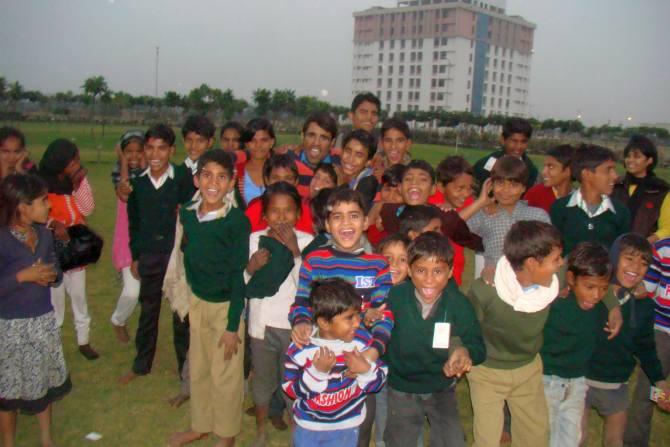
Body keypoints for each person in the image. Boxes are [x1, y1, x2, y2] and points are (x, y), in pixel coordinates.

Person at [289, 188, 393, 447]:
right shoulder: (315, 261)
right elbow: (301, 302)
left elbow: (385, 314)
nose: (346, 223)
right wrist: (301, 321)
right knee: (315, 414)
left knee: (358, 426)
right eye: (338, 217)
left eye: (354, 216)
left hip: (359, 358)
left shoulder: (378, 265)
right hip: (322, 355)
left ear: (366, 221)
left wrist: (371, 354)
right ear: (326, 224)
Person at [167, 149, 250, 447]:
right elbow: (186, 258)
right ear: (196, 178)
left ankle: (225, 435)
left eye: (221, 177)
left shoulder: (236, 222)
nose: (213, 182)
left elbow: (237, 276)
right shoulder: (188, 214)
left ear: (231, 183)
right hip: (198, 303)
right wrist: (187, 300)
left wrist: (232, 326)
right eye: (207, 175)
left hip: (226, 307)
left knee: (225, 374)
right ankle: (200, 425)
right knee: (200, 368)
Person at [467, 220, 564, 447]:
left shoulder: (553, 281)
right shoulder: (486, 291)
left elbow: (588, 279)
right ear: (531, 263)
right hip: (487, 372)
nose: (560, 264)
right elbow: (466, 327)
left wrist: (613, 306)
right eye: (555, 260)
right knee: (487, 439)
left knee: (536, 435)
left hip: (528, 369)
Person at [384, 232, 486, 447]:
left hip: (441, 387)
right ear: (410, 270)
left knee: (453, 441)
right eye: (421, 270)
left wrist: (464, 353)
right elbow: (379, 337)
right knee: (400, 441)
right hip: (402, 387)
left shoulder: (458, 303)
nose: (429, 279)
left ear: (449, 272)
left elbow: (478, 346)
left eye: (437, 271)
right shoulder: (394, 298)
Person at [119, 124, 193, 384]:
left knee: (181, 314)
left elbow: (192, 214)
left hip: (176, 257)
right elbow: (134, 223)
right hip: (150, 256)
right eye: (150, 147)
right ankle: (141, 365)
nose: (155, 154)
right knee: (148, 311)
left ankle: (185, 369)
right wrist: (136, 256)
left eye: (162, 148)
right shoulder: (137, 184)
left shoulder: (183, 178)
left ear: (171, 150)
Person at [0, 174, 71, 447]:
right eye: (43, 201)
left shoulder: (44, 234)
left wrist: (52, 275)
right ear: (22, 206)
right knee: (9, 391)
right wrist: (23, 276)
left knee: (43, 384)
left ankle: (46, 439)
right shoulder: (3, 239)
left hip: (42, 321)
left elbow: (57, 269)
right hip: (10, 327)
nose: (49, 207)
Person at [583, 234, 670, 447]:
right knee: (577, 438)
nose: (636, 267)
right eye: (629, 258)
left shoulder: (643, 306)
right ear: (613, 258)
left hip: (616, 384)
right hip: (580, 381)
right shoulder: (591, 293)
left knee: (615, 441)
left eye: (643, 263)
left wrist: (660, 383)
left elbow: (647, 348)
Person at [245, 182, 314, 447]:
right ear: (264, 215)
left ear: (298, 214)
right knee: (262, 380)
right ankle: (261, 430)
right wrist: (251, 267)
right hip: (261, 326)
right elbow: (244, 286)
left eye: (288, 211)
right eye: (275, 211)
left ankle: (298, 431)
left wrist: (295, 251)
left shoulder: (306, 242)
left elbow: (308, 286)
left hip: (293, 328)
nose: (282, 217)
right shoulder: (255, 240)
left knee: (293, 382)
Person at [283, 278, 388, 447]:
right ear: (324, 322)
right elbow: (290, 389)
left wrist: (365, 370)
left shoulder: (361, 342)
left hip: (348, 425)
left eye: (357, 315)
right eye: (349, 318)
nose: (357, 322)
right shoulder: (301, 349)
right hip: (309, 427)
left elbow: (379, 381)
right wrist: (316, 374)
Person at [540, 242, 612, 447]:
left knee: (571, 438)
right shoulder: (554, 305)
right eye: (590, 287)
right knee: (544, 436)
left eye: (603, 288)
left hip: (578, 385)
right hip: (548, 382)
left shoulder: (600, 309)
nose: (596, 295)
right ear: (571, 279)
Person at [38, 138, 99, 360]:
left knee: (79, 297)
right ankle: (53, 344)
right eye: (72, 161)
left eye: (77, 160)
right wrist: (53, 224)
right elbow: (37, 217)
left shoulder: (76, 182)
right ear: (59, 162)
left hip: (76, 250)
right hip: (52, 251)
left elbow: (87, 208)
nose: (77, 164)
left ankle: (84, 341)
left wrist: (78, 184)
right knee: (56, 301)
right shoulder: (41, 185)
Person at [466, 155, 550, 284]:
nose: (506, 190)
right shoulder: (484, 214)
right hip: (494, 282)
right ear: (490, 184)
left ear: (523, 188)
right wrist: (480, 202)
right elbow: (452, 227)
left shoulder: (538, 216)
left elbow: (549, 253)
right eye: (500, 183)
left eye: (514, 185)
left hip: (529, 286)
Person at [378, 160, 483, 255]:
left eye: (423, 179)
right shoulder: (388, 211)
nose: (414, 183)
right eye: (408, 179)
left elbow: (475, 242)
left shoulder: (446, 217)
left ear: (433, 189)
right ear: (400, 188)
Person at [624, 236, 670, 446]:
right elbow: (645, 290)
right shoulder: (663, 249)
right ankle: (635, 441)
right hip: (662, 330)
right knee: (649, 390)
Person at [550, 144, 631, 256]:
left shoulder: (621, 212)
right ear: (587, 174)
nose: (615, 176)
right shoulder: (559, 208)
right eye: (608, 170)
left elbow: (621, 254)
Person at [110, 130, 146, 343]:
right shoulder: (118, 171)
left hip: (147, 238)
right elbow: (125, 191)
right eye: (128, 152)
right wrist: (123, 162)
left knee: (144, 290)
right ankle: (118, 320)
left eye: (138, 151)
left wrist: (143, 162)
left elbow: (145, 183)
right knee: (132, 291)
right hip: (126, 239)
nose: (133, 156)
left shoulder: (151, 172)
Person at [612, 134, 670, 243]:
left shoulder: (661, 190)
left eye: (636, 157)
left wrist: (643, 244)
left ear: (649, 160)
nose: (630, 160)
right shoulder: (616, 185)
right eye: (628, 156)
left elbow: (667, 229)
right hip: (611, 248)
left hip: (643, 253)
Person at [244, 153, 313, 235]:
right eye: (276, 178)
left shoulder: (308, 211)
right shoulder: (254, 209)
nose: (282, 183)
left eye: (288, 178)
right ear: (267, 180)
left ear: (296, 181)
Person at [434, 156, 477, 284]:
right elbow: (449, 224)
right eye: (460, 188)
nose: (466, 194)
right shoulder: (431, 200)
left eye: (469, 188)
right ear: (441, 187)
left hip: (454, 271)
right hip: (431, 268)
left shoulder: (468, 202)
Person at [472, 117, 538, 190]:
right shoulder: (486, 165)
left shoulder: (531, 170)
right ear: (503, 140)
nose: (518, 147)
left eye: (523, 141)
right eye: (514, 141)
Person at [295, 112, 339, 197]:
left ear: (332, 142)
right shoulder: (289, 164)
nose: (316, 143)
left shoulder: (341, 165)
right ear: (302, 136)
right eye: (311, 135)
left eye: (323, 138)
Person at [524, 145, 575, 213]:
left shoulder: (578, 199)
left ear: (568, 171)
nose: (543, 172)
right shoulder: (535, 194)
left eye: (551, 167)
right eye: (544, 166)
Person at [338, 129, 379, 212]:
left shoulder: (367, 183)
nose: (350, 159)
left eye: (359, 155)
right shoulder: (347, 178)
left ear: (368, 162)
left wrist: (342, 186)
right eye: (348, 151)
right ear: (341, 151)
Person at [237, 118, 275, 206]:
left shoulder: (280, 170)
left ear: (272, 142)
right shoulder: (237, 172)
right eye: (253, 140)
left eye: (264, 140)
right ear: (246, 144)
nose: (258, 145)